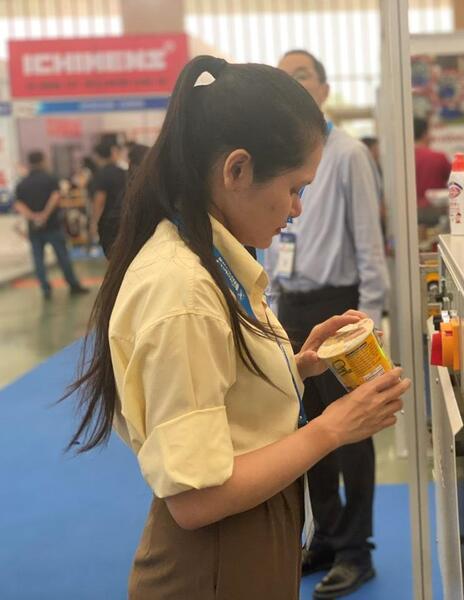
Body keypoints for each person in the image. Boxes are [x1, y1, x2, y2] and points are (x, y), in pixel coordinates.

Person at [64, 56, 409, 600]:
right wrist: (332, 428)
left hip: (249, 540)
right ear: (237, 170)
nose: (297, 209)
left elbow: (222, 395)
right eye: (294, 188)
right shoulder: (184, 291)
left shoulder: (211, 260)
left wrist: (297, 366)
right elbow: (195, 498)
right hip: (217, 559)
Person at [265, 49, 389, 599]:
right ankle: (326, 537)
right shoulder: (279, 157)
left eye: (302, 76)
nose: (293, 86)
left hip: (341, 308)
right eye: (283, 79)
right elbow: (274, 245)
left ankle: (357, 551)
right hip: (290, 307)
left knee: (352, 433)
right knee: (306, 430)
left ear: (324, 88)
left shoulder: (348, 154)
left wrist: (372, 321)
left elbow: (370, 247)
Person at [13, 151, 88, 300]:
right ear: (42, 161)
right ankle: (73, 284)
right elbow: (55, 196)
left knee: (38, 259)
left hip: (34, 228)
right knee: (62, 256)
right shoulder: (50, 178)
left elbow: (18, 204)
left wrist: (33, 216)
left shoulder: (22, 183)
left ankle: (45, 289)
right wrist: (45, 215)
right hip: (52, 226)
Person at [91, 140, 127, 257]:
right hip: (125, 217)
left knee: (112, 255)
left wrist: (94, 223)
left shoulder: (101, 174)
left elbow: (99, 201)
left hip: (108, 221)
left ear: (98, 156)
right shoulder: (123, 172)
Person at [413, 116, 451, 208]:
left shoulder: (405, 161)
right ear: (424, 134)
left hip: (411, 209)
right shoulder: (439, 158)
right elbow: (456, 183)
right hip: (435, 210)